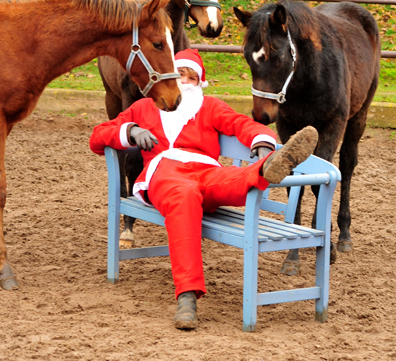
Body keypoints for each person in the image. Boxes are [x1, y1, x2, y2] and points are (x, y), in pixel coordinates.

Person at [90, 49, 318, 330]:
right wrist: (131, 131)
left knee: (235, 179)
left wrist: (261, 141)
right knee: (184, 196)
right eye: (180, 74)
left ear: (200, 83)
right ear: (170, 76)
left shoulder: (208, 105)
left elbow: (240, 123)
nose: (185, 80)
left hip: (206, 171)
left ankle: (267, 167)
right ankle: (187, 295)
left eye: (192, 76)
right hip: (166, 172)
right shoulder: (144, 107)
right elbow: (98, 134)